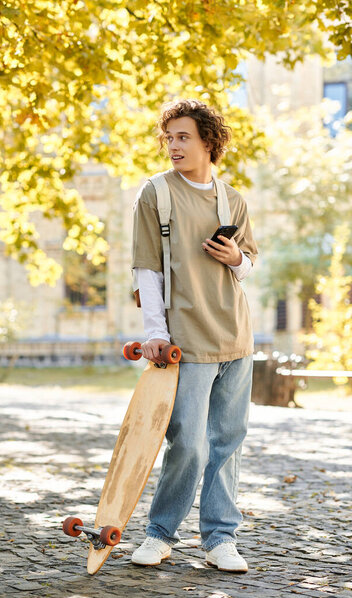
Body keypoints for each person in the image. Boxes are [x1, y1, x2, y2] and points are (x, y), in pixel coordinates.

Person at [130, 98, 258, 572]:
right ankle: (160, 534)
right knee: (187, 440)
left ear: (209, 142)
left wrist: (235, 260)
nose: (173, 146)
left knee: (227, 440)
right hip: (187, 340)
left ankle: (220, 538)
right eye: (169, 138)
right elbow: (147, 268)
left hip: (236, 337)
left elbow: (248, 264)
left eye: (183, 137)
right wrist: (154, 333)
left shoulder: (233, 200)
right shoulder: (156, 194)